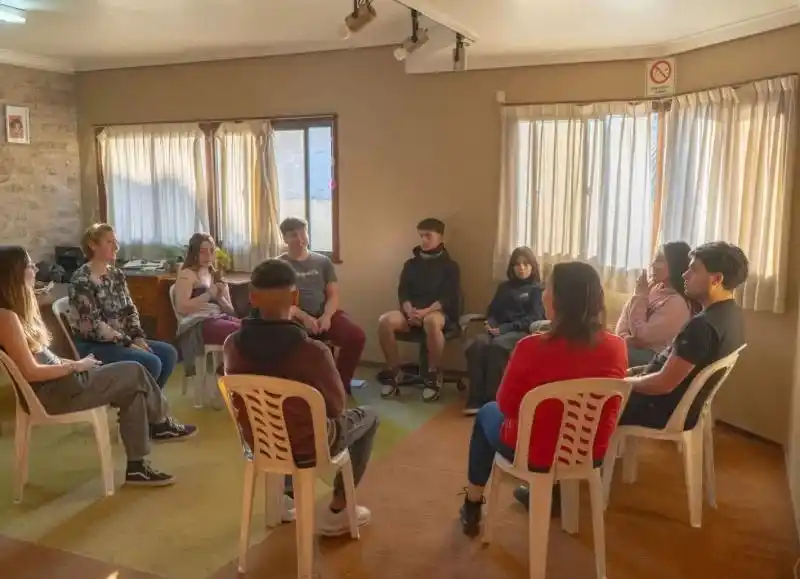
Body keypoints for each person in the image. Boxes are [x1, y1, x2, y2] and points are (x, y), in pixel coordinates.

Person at [0, 246, 196, 486]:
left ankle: (137, 467)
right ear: (14, 272)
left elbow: (45, 358)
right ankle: (161, 421)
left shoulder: (18, 313)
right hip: (54, 393)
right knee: (134, 370)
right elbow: (31, 371)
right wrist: (75, 367)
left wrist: (74, 364)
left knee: (133, 390)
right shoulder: (6, 318)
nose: (34, 269)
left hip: (64, 381)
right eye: (29, 265)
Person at [459, 261, 628, 537]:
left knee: (486, 413)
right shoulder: (617, 347)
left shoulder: (531, 347)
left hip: (534, 451)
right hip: (587, 450)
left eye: (547, 288)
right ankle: (552, 491)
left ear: (557, 300)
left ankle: (473, 503)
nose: (543, 294)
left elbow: (507, 406)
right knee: (561, 421)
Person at [224, 259, 378, 536]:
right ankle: (339, 510)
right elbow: (336, 407)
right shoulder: (313, 351)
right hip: (309, 446)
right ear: (294, 298)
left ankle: (285, 497)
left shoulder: (232, 345)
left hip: (259, 441)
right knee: (369, 416)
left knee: (278, 420)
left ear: (252, 297)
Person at [620, 242, 747, 430]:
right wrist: (630, 373)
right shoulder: (732, 314)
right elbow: (665, 366)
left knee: (584, 397)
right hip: (669, 401)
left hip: (658, 408)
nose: (684, 275)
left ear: (716, 279)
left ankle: (588, 457)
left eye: (693, 270)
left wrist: (619, 383)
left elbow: (663, 384)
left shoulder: (701, 327)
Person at [68, 223, 180, 393]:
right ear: (93, 245)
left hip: (121, 340)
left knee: (168, 353)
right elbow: (93, 327)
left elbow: (129, 309)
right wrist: (128, 343)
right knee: (152, 362)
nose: (116, 247)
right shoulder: (81, 279)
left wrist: (138, 337)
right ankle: (147, 412)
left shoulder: (116, 274)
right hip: (94, 346)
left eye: (116, 241)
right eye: (109, 242)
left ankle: (149, 411)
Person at [278, 217, 366, 394]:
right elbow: (283, 301)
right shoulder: (278, 265)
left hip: (324, 313)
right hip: (294, 318)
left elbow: (333, 294)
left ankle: (340, 385)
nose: (301, 238)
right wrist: (305, 318)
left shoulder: (322, 262)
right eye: (294, 235)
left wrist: (326, 316)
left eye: (303, 233)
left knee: (356, 336)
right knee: (302, 348)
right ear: (285, 239)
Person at [377, 217, 461, 402]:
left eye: (428, 236)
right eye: (421, 236)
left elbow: (448, 297)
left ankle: (433, 375)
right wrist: (409, 311)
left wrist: (423, 313)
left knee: (431, 321)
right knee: (385, 321)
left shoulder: (450, 266)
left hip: (437, 313)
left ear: (440, 237)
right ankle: (393, 371)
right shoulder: (411, 264)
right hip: (412, 311)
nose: (423, 240)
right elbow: (403, 291)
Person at [464, 247, 544, 415]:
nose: (521, 268)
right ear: (512, 267)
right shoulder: (504, 288)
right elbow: (492, 312)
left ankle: (492, 400)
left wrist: (503, 329)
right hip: (498, 331)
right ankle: (475, 399)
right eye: (517, 264)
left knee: (497, 346)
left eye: (525, 264)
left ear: (533, 266)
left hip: (521, 332)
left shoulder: (537, 289)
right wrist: (491, 325)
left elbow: (533, 319)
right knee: (477, 344)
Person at [616, 242, 696, 367]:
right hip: (633, 347)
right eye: (654, 260)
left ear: (674, 265)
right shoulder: (653, 286)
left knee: (607, 352)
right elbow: (626, 314)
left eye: (659, 260)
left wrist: (640, 296)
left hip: (655, 357)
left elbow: (642, 336)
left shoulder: (677, 303)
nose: (653, 265)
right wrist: (624, 338)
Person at [174, 233, 240, 341]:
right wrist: (208, 295)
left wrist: (220, 298)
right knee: (241, 332)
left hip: (219, 318)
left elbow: (231, 312)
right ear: (193, 253)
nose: (208, 256)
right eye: (202, 252)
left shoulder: (216, 276)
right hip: (198, 323)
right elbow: (181, 308)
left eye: (211, 251)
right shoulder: (187, 274)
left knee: (250, 328)